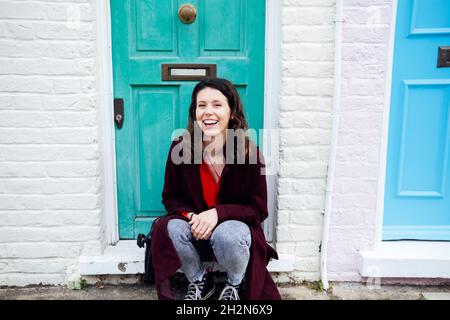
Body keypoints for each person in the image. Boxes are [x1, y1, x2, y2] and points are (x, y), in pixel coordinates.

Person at [150, 78, 281, 300]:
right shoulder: (180, 148)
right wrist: (192, 216)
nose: (208, 112)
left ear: (231, 112)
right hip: (197, 232)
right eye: (202, 105)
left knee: (227, 233)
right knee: (168, 227)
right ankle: (200, 279)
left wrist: (218, 214)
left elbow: (258, 209)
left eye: (217, 105)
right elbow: (170, 197)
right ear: (195, 112)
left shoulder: (250, 153)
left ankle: (235, 284)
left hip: (232, 237)